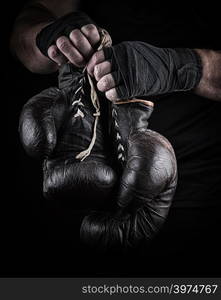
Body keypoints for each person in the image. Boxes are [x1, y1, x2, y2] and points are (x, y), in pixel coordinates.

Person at [10, 0, 221, 275]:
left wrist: (183, 67)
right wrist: (48, 36)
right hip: (92, 179)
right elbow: (22, 38)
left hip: (207, 192)